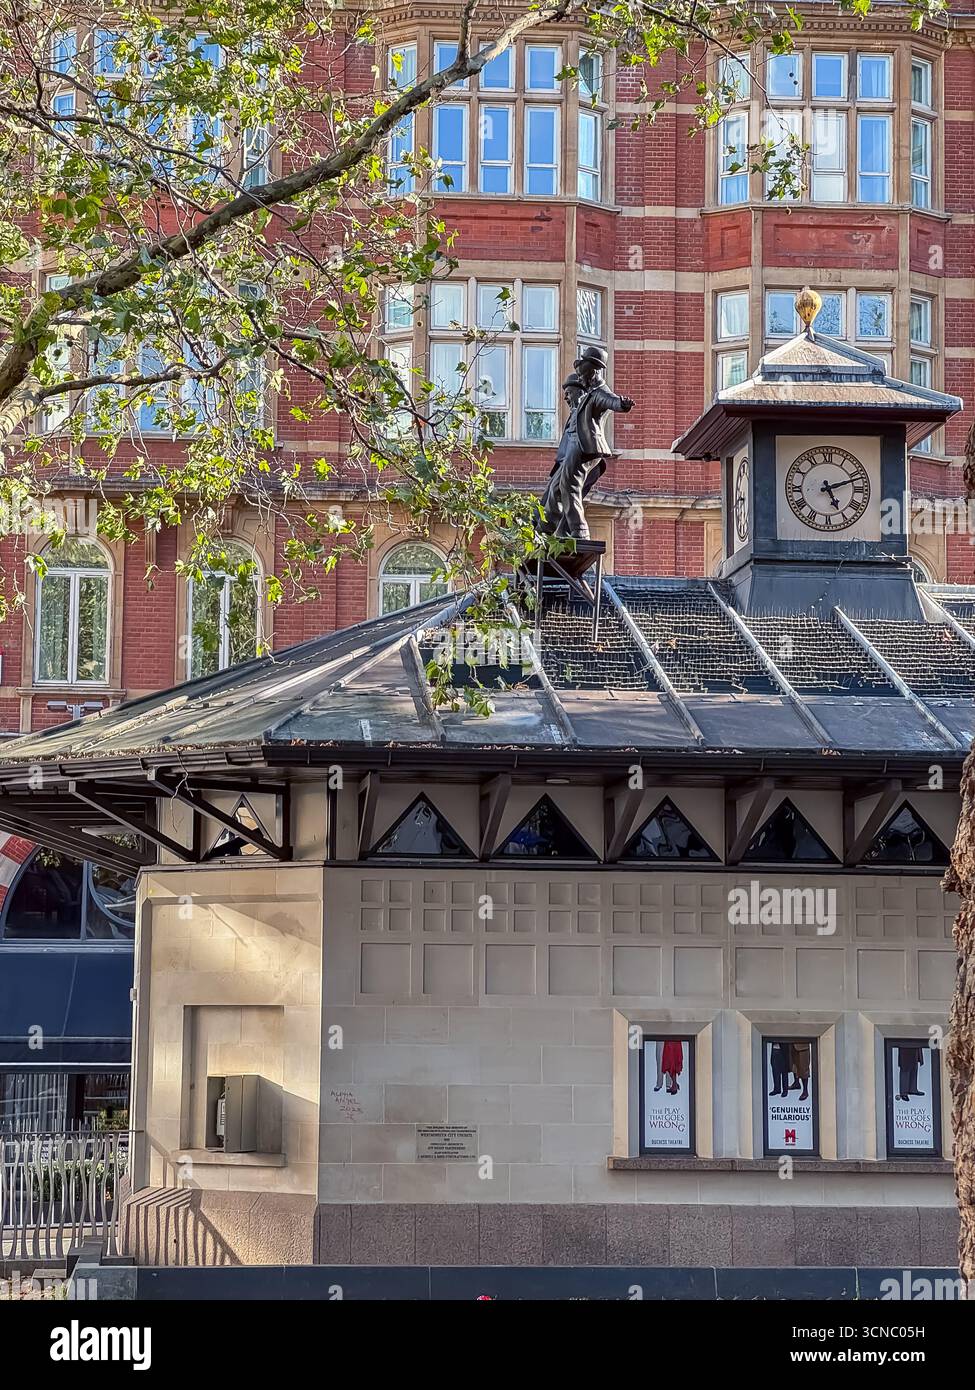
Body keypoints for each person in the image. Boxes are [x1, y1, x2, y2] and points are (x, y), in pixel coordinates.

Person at [541, 348, 634, 539]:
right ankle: (548, 528)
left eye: (582, 375)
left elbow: (611, 401)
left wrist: (622, 404)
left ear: (593, 371)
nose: (581, 379)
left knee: (570, 486)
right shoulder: (587, 396)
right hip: (575, 448)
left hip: (585, 448)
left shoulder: (599, 392)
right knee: (555, 488)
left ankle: (578, 530)